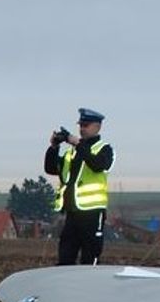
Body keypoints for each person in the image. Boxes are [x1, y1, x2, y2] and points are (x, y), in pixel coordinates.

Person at [45, 107, 115, 265]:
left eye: (86, 125)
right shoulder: (73, 153)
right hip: (72, 213)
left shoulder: (104, 149)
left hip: (92, 213)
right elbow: (51, 168)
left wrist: (78, 143)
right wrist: (54, 147)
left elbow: (97, 165)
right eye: (81, 125)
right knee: (65, 259)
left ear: (97, 127)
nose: (82, 129)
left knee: (90, 260)